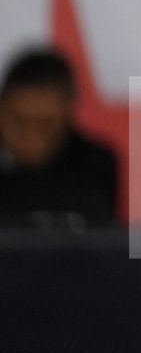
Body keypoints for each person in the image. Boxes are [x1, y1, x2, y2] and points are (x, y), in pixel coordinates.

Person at [0, 48, 117, 227]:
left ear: (68, 115)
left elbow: (98, 244)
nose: (31, 138)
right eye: (19, 122)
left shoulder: (95, 165)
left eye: (46, 125)